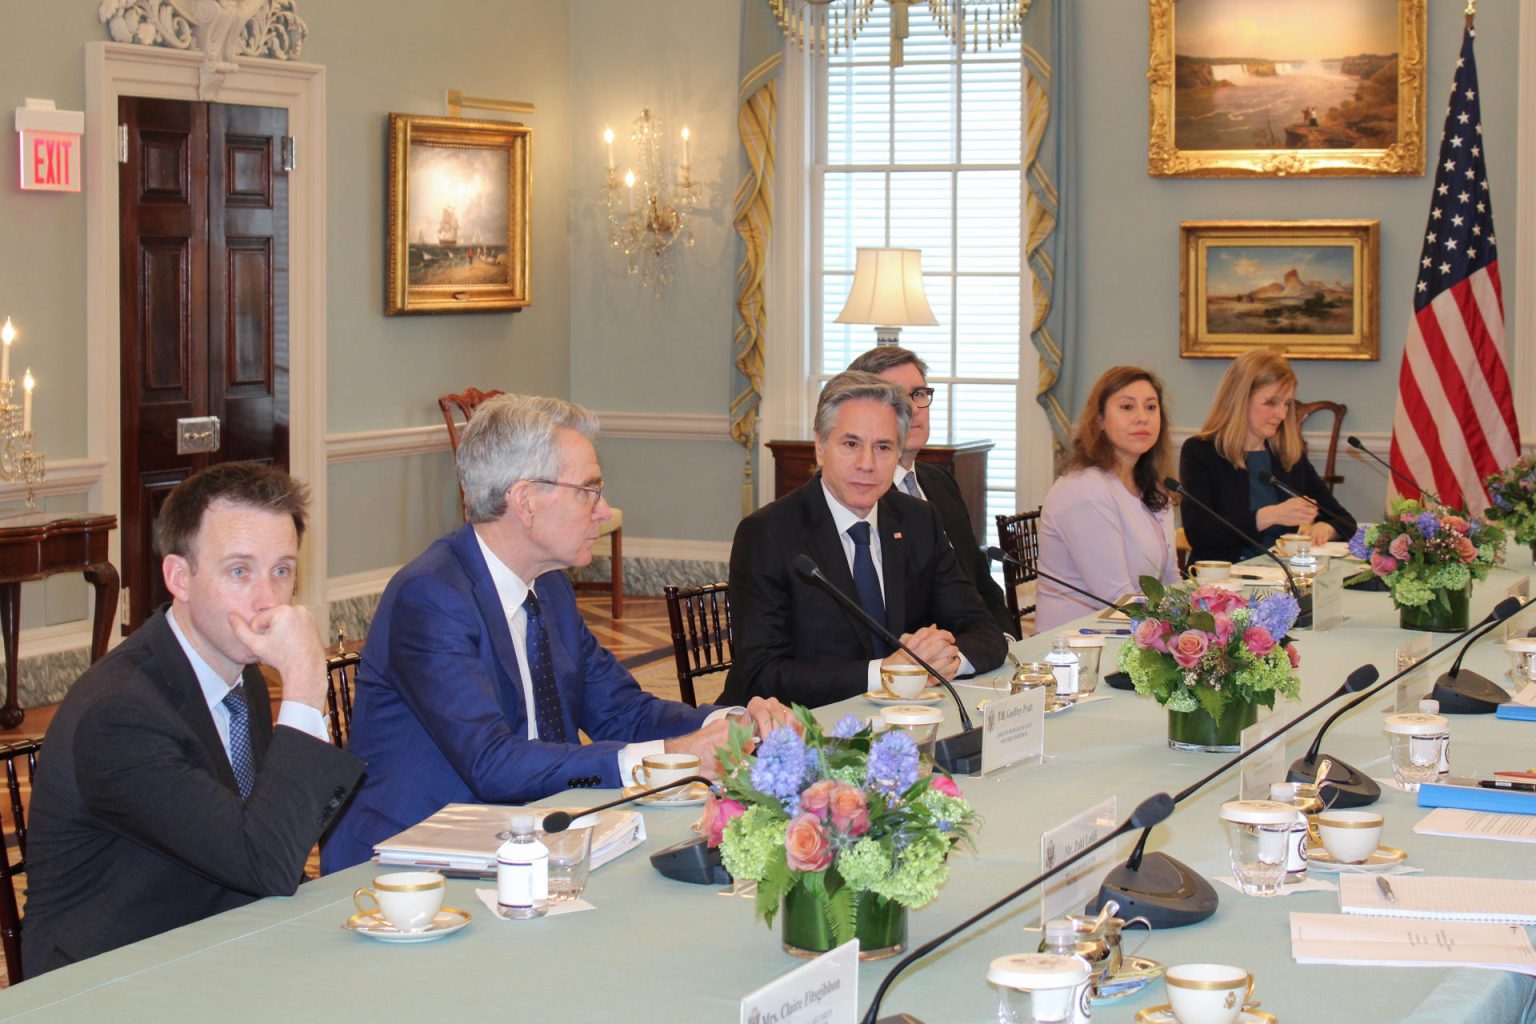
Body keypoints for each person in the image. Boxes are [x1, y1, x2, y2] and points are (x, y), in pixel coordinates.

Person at [323, 395, 793, 872]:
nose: (604, 511)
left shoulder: (549, 588)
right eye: (588, 491)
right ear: (525, 501)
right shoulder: (431, 597)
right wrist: (670, 756)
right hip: (410, 866)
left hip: (524, 840)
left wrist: (728, 725)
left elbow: (622, 712)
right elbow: (492, 765)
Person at [22, 463, 364, 977]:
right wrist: (304, 687)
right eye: (239, 571)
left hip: (214, 941)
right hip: (112, 980)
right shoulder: (120, 715)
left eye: (282, 570)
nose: (268, 600)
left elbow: (271, 839)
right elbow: (266, 862)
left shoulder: (238, 675)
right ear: (179, 577)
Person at [721, 371, 1008, 708]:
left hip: (906, 719)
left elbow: (984, 629)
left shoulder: (918, 520)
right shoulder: (768, 534)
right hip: (802, 729)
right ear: (820, 446)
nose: (867, 464)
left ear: (898, 453)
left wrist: (949, 659)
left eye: (883, 447)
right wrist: (885, 673)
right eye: (851, 444)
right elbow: (761, 674)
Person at [847, 345, 1015, 636]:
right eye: (896, 397)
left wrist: (1007, 641)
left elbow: (979, 581)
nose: (912, 409)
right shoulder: (862, 498)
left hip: (976, 651)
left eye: (918, 394)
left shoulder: (939, 482)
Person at [1179, 350, 1357, 565]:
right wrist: (1269, 516)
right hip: (1221, 585)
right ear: (1240, 399)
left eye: (1286, 403)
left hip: (1281, 579)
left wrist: (1327, 528)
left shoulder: (1288, 455)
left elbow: (1344, 521)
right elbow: (1200, 535)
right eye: (1271, 403)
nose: (1281, 414)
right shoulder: (1201, 452)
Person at [1036, 366, 1180, 630]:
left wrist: (1196, 624)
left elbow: (1171, 579)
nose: (1142, 418)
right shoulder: (1085, 489)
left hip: (1134, 634)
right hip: (1077, 645)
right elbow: (1116, 599)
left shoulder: (1155, 487)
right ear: (1099, 419)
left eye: (1151, 407)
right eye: (1127, 407)